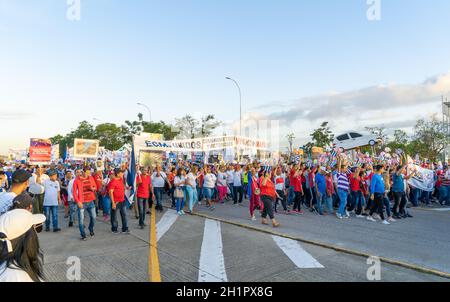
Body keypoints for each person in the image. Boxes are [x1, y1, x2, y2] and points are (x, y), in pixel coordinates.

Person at [0, 209, 46, 282]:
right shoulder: (15, 277)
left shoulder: (12, 269)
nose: (36, 233)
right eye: (34, 228)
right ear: (27, 239)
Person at [73, 168, 97, 240]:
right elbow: (74, 192)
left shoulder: (91, 178)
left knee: (94, 217)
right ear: (82, 172)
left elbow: (95, 186)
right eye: (86, 172)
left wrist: (93, 188)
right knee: (81, 219)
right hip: (82, 202)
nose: (88, 174)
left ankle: (90, 228)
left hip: (90, 201)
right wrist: (78, 201)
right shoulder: (77, 180)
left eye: (89, 172)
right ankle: (83, 235)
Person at [108, 168, 129, 234]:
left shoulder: (121, 179)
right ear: (117, 174)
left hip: (122, 200)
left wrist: (127, 188)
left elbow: (122, 186)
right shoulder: (112, 182)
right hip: (116, 202)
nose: (122, 174)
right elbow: (110, 192)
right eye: (121, 173)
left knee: (124, 215)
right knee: (114, 216)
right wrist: (113, 203)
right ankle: (114, 229)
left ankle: (124, 229)